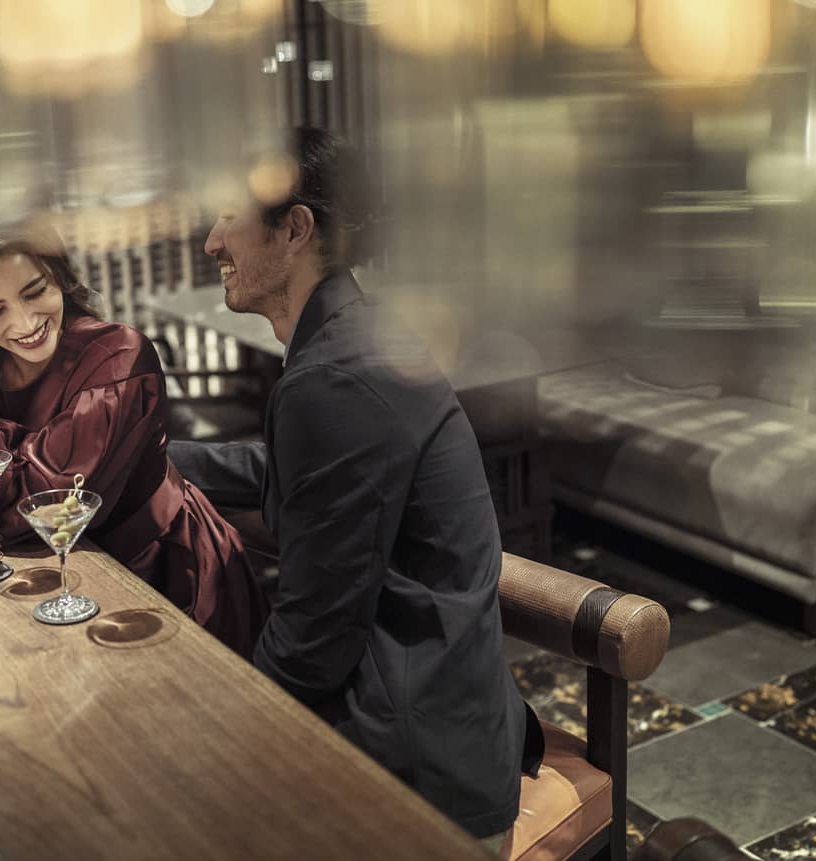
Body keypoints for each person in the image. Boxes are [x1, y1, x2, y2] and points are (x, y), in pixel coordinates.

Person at [169, 128, 542, 843]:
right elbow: (301, 481)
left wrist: (222, 731)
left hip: (415, 763)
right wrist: (158, 459)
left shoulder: (332, 377)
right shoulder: (348, 333)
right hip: (429, 704)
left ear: (296, 229)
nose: (212, 243)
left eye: (227, 218)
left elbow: (313, 636)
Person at [0, 219, 268, 656]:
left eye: (35, 292)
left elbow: (31, 512)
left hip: (159, 580)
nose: (25, 323)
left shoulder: (118, 358)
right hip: (34, 590)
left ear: (58, 275)